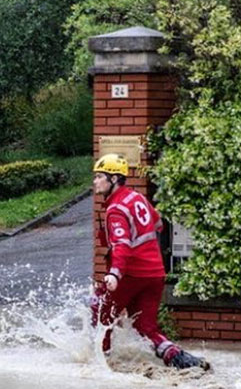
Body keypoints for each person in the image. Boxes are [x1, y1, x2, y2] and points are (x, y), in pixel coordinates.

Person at [90, 153, 209, 371]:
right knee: (146, 326)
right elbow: (158, 223)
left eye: (99, 176)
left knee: (100, 312)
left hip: (131, 274)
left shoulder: (115, 209)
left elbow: (122, 244)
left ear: (114, 179)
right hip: (155, 273)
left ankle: (101, 363)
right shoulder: (137, 198)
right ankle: (180, 359)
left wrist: (115, 273)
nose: (95, 182)